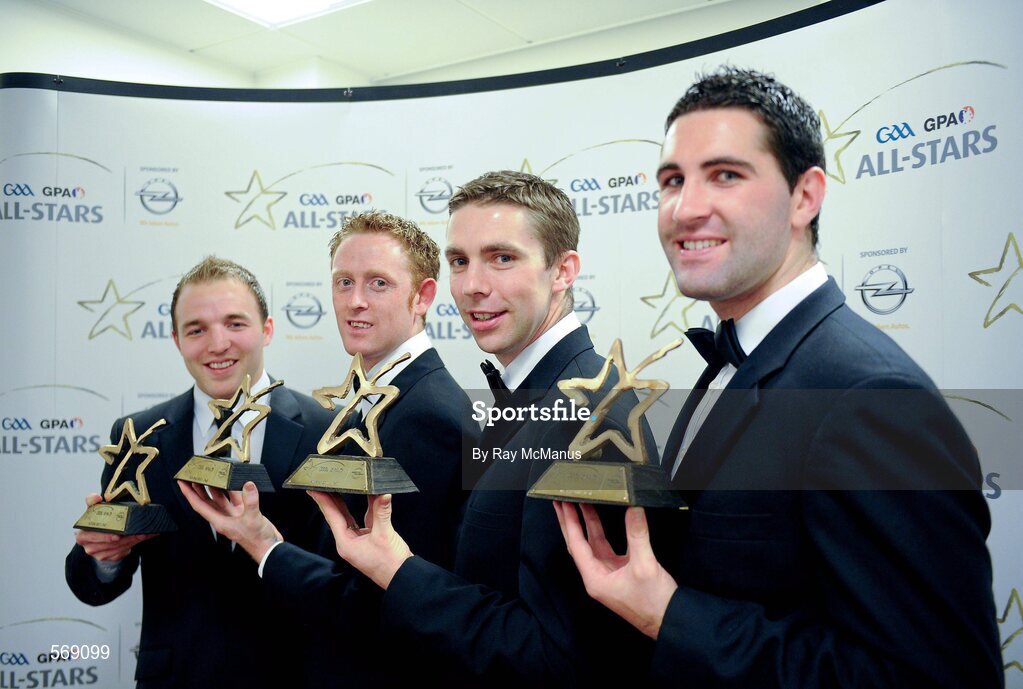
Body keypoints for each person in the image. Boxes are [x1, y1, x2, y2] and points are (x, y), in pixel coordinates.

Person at [554, 66, 1003, 689]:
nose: (685, 208)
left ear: (805, 197)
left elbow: (934, 676)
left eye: (726, 175)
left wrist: (668, 614)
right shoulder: (733, 360)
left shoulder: (871, 398)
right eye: (672, 181)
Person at [309, 171, 651, 687]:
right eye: (459, 262)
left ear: (563, 271)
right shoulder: (526, 399)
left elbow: (565, 660)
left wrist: (397, 571)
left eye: (502, 258)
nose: (473, 286)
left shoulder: (586, 419)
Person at [179, 211, 476, 686]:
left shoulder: (429, 414)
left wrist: (264, 545)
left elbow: (397, 600)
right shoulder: (379, 401)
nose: (354, 302)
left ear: (422, 297)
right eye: (343, 282)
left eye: (378, 283)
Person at [65, 256, 333, 689]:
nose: (217, 343)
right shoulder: (139, 436)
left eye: (235, 323)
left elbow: (345, 580)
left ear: (267, 329)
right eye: (196, 329)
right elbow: (93, 584)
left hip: (294, 674)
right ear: (176, 339)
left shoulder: (328, 429)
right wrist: (105, 558)